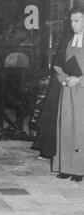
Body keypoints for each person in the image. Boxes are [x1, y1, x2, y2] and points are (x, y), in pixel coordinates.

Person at [52, 7, 84, 182]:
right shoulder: (67, 40)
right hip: (67, 89)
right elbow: (56, 65)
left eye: (77, 20)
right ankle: (65, 167)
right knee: (66, 127)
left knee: (81, 129)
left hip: (83, 91)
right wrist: (65, 79)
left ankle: (79, 169)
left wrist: (80, 80)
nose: (73, 24)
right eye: (71, 21)